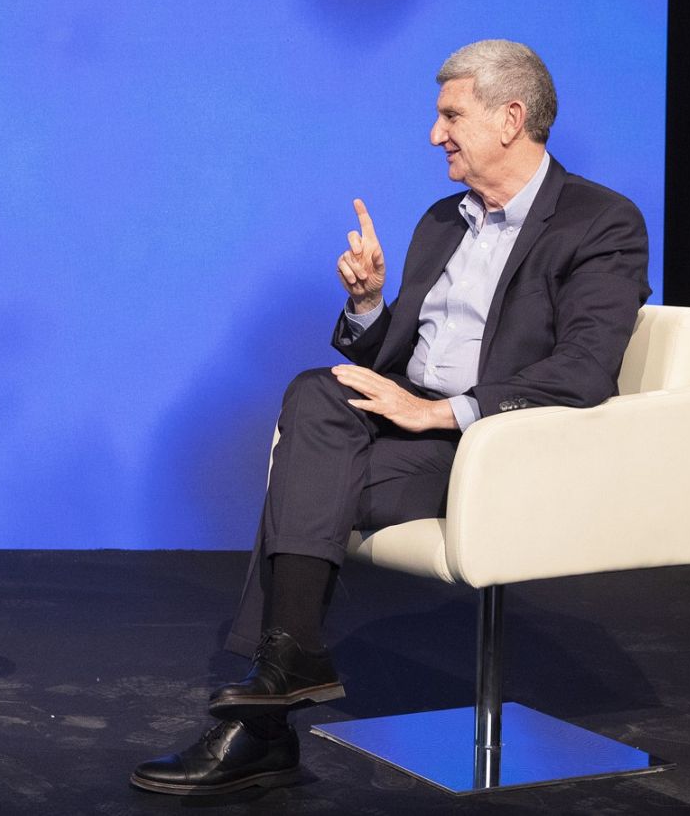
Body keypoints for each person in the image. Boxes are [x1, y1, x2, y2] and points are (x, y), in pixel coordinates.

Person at [130, 39, 651, 795]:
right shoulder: (445, 220)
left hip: (493, 445)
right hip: (406, 429)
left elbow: (584, 369)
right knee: (317, 388)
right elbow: (393, 363)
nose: (434, 133)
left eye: (450, 114)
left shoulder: (600, 221)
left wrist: (443, 410)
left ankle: (265, 722)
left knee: (307, 487)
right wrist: (369, 305)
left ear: (511, 118)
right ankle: (288, 662)